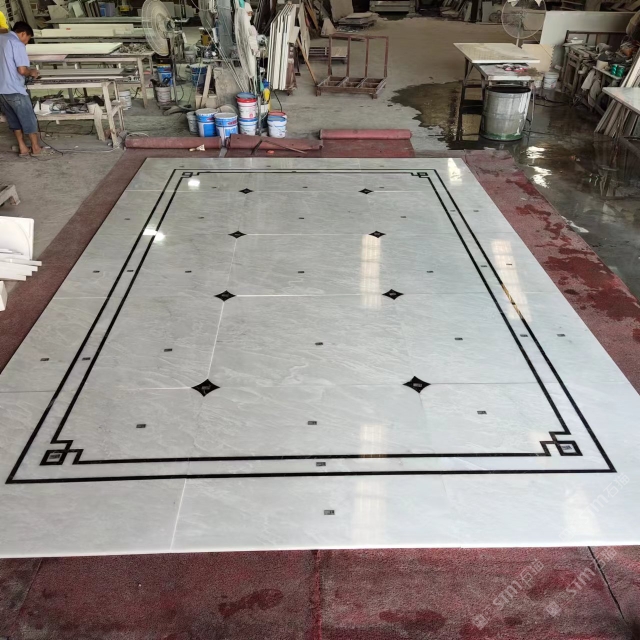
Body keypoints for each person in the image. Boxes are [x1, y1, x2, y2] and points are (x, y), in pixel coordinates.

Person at [0, 21, 42, 157]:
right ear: (23, 33)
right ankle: (35, 147)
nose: (26, 43)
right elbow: (22, 70)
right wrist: (32, 72)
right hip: (15, 89)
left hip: (1, 90)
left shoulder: (1, 39)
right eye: (27, 39)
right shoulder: (17, 43)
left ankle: (23, 147)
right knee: (28, 119)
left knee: (13, 120)